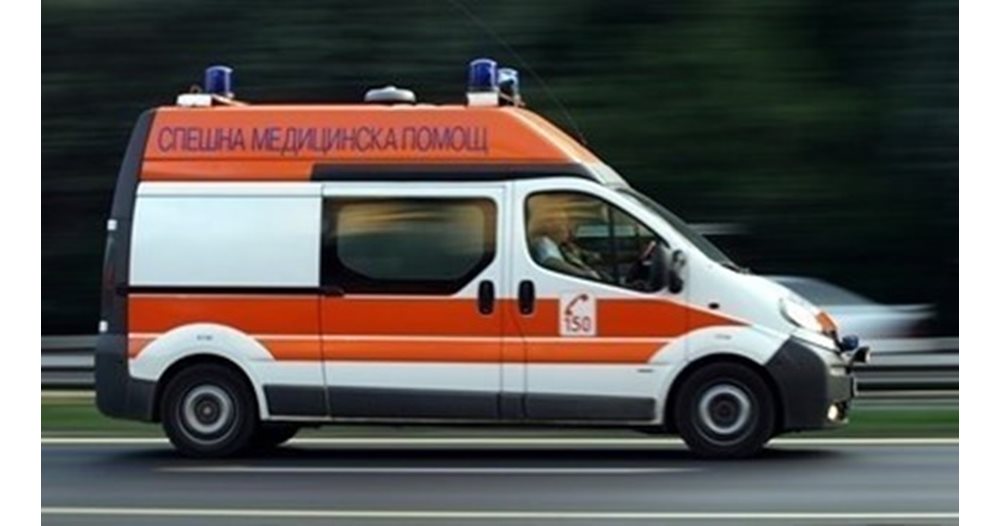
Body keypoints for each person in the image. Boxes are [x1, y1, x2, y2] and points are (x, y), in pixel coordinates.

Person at [527, 205, 606, 281]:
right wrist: (583, 274)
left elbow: (584, 255)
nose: (567, 228)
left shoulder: (563, 246)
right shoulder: (543, 242)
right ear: (551, 226)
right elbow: (551, 261)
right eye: (563, 222)